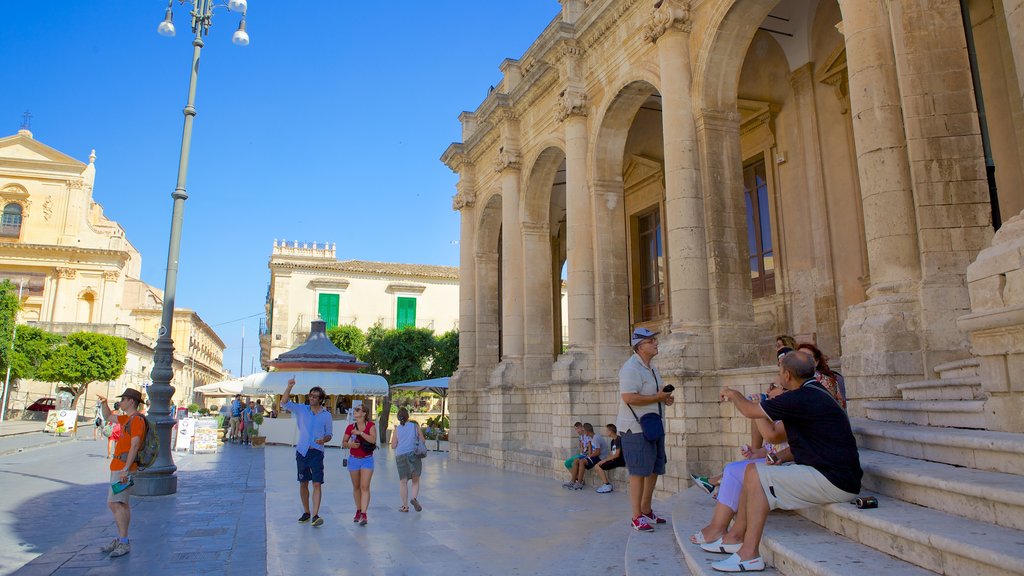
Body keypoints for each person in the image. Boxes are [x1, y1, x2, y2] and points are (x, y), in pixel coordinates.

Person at [712, 352, 863, 572]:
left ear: (787, 374)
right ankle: (736, 538)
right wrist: (780, 456)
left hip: (835, 479)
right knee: (753, 472)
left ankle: (748, 554)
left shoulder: (800, 397)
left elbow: (760, 422)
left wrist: (734, 395)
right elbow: (810, 440)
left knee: (756, 473)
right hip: (834, 474)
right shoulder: (815, 392)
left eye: (779, 370)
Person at [617, 327, 675, 532]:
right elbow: (629, 397)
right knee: (639, 472)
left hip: (653, 426)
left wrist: (664, 398)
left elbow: (654, 395)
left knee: (654, 469)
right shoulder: (630, 369)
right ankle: (636, 516)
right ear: (640, 346)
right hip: (636, 428)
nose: (656, 343)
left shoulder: (652, 368)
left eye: (655, 340)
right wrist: (657, 398)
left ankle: (646, 509)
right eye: (651, 341)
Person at [96, 389, 146, 558]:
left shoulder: (137, 420)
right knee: (117, 503)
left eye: (123, 400)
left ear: (131, 401)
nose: (121, 403)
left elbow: (135, 445)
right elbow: (109, 416)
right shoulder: (127, 419)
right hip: (118, 466)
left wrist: (126, 468)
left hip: (125, 469)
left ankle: (123, 541)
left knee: (117, 503)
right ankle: (120, 538)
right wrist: (104, 403)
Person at [280, 377, 332, 528]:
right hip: (302, 451)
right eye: (310, 395)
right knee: (303, 483)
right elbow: (284, 403)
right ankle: (306, 512)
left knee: (317, 483)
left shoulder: (326, 415)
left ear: (321, 399)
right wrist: (289, 386)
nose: (312, 398)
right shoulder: (302, 409)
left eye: (315, 396)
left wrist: (324, 439)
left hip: (317, 452)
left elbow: (329, 434)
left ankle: (316, 515)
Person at [344, 404, 377, 526]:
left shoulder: (370, 426)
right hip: (353, 459)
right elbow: (344, 442)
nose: (355, 411)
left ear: (364, 413)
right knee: (356, 486)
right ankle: (358, 510)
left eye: (357, 410)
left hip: (367, 459)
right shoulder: (350, 427)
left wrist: (360, 433)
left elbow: (373, 440)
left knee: (365, 486)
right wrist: (350, 445)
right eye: (354, 410)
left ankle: (364, 514)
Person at [390, 407, 426, 513]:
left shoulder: (397, 429)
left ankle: (405, 507)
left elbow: (393, 445)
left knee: (403, 482)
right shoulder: (415, 426)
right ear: (408, 416)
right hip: (414, 454)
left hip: (400, 455)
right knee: (415, 480)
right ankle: (414, 498)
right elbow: (423, 440)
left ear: (398, 418)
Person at [796, 342, 845, 409]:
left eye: (808, 357)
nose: (802, 360)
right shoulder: (791, 380)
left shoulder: (827, 382)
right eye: (799, 356)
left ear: (816, 362)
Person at [566, 423, 602, 490]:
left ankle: (579, 482)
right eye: (576, 429)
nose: (578, 431)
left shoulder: (594, 437)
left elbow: (595, 451)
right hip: (587, 455)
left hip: (595, 456)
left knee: (580, 461)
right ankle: (573, 481)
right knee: (575, 461)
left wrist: (589, 456)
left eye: (582, 430)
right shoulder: (589, 437)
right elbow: (583, 446)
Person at [594, 424, 625, 493]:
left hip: (619, 461)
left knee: (597, 466)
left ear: (611, 431)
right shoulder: (612, 441)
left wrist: (605, 460)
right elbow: (611, 454)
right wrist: (603, 460)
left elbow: (617, 455)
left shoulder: (618, 439)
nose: (606, 432)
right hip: (614, 460)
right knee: (598, 465)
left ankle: (607, 485)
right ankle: (606, 484)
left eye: (607, 431)